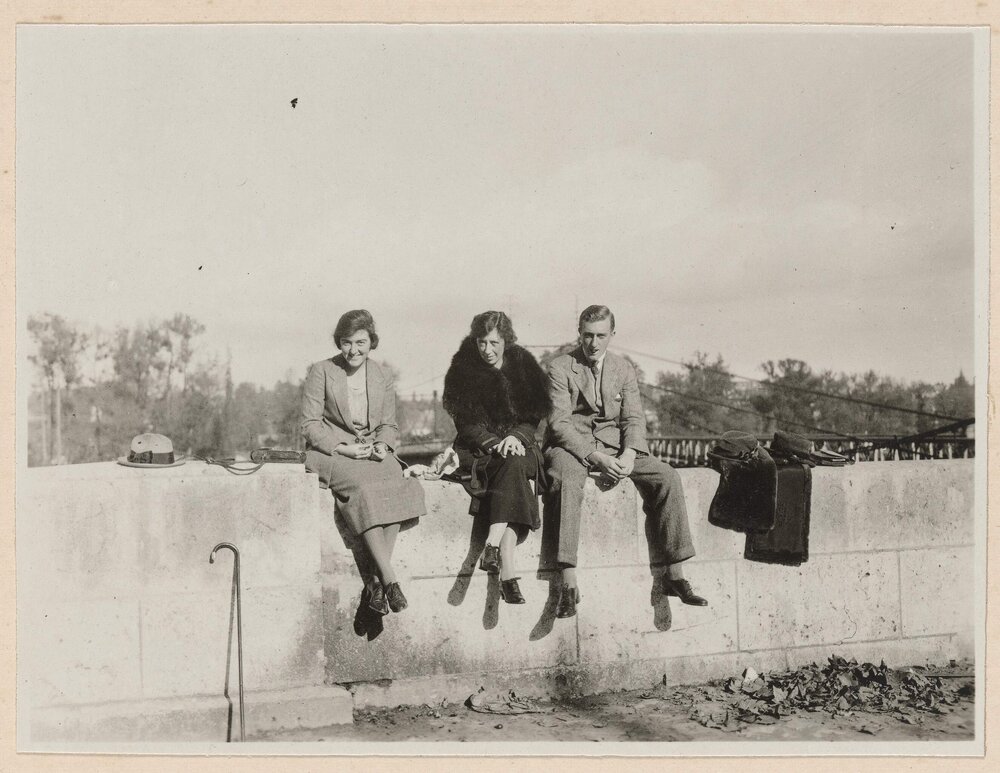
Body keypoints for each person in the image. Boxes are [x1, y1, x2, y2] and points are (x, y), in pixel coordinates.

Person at [544, 304, 708, 618]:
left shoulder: (623, 368)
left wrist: (630, 454)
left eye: (601, 336)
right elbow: (559, 424)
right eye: (588, 335)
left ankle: (675, 575)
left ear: (612, 336)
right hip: (571, 448)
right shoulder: (560, 367)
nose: (593, 343)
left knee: (668, 476)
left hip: (617, 448)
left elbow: (634, 419)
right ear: (579, 333)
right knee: (566, 480)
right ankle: (567, 583)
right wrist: (595, 457)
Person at [302, 309, 425, 618]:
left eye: (360, 342)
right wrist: (343, 448)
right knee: (365, 486)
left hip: (370, 452)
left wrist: (383, 445)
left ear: (372, 342)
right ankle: (389, 580)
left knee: (399, 478)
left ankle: (374, 588)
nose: (353, 350)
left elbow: (389, 425)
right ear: (338, 343)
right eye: (346, 343)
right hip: (331, 453)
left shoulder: (382, 375)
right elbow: (310, 426)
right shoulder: (321, 371)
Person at [442, 311, 552, 605]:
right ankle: (508, 574)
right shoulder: (462, 367)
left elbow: (534, 416)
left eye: (494, 343)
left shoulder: (524, 365)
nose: (487, 350)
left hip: (520, 447)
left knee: (514, 463)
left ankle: (490, 546)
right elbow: (465, 423)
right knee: (513, 473)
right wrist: (495, 443)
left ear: (507, 341)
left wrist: (516, 437)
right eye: (481, 342)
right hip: (480, 451)